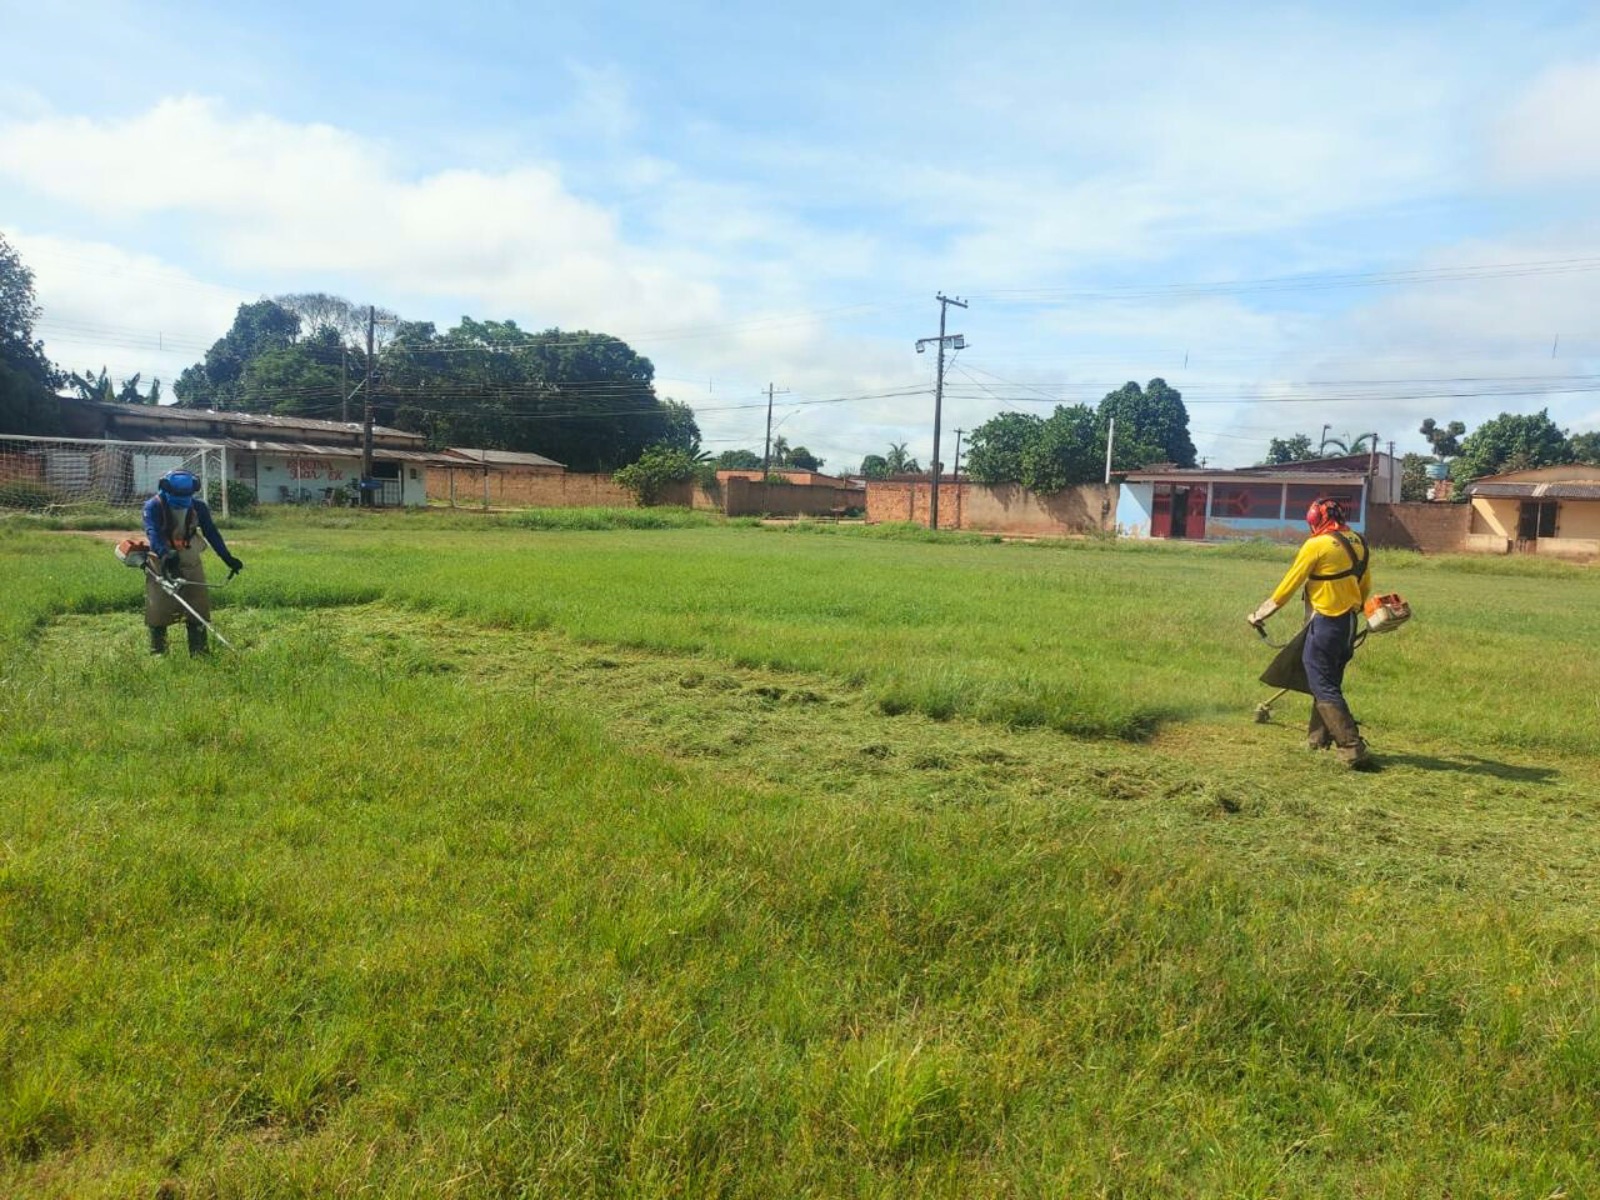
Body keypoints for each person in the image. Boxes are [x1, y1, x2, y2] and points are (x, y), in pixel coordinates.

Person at [1247, 497, 1375, 769]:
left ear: (1316, 520)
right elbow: (1364, 585)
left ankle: (1351, 747)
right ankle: (1316, 740)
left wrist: (1261, 614)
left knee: (1322, 684)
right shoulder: (1359, 541)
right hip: (1349, 623)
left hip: (1326, 622)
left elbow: (1289, 584)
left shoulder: (1316, 545)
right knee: (1327, 680)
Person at [142, 470, 244, 655]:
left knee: (198, 606)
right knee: (159, 607)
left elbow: (211, 533)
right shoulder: (153, 506)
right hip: (161, 561)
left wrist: (227, 558)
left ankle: (200, 652)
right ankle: (158, 652)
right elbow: (153, 533)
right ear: (166, 490)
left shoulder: (199, 507)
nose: (182, 502)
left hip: (191, 561)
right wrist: (165, 555)